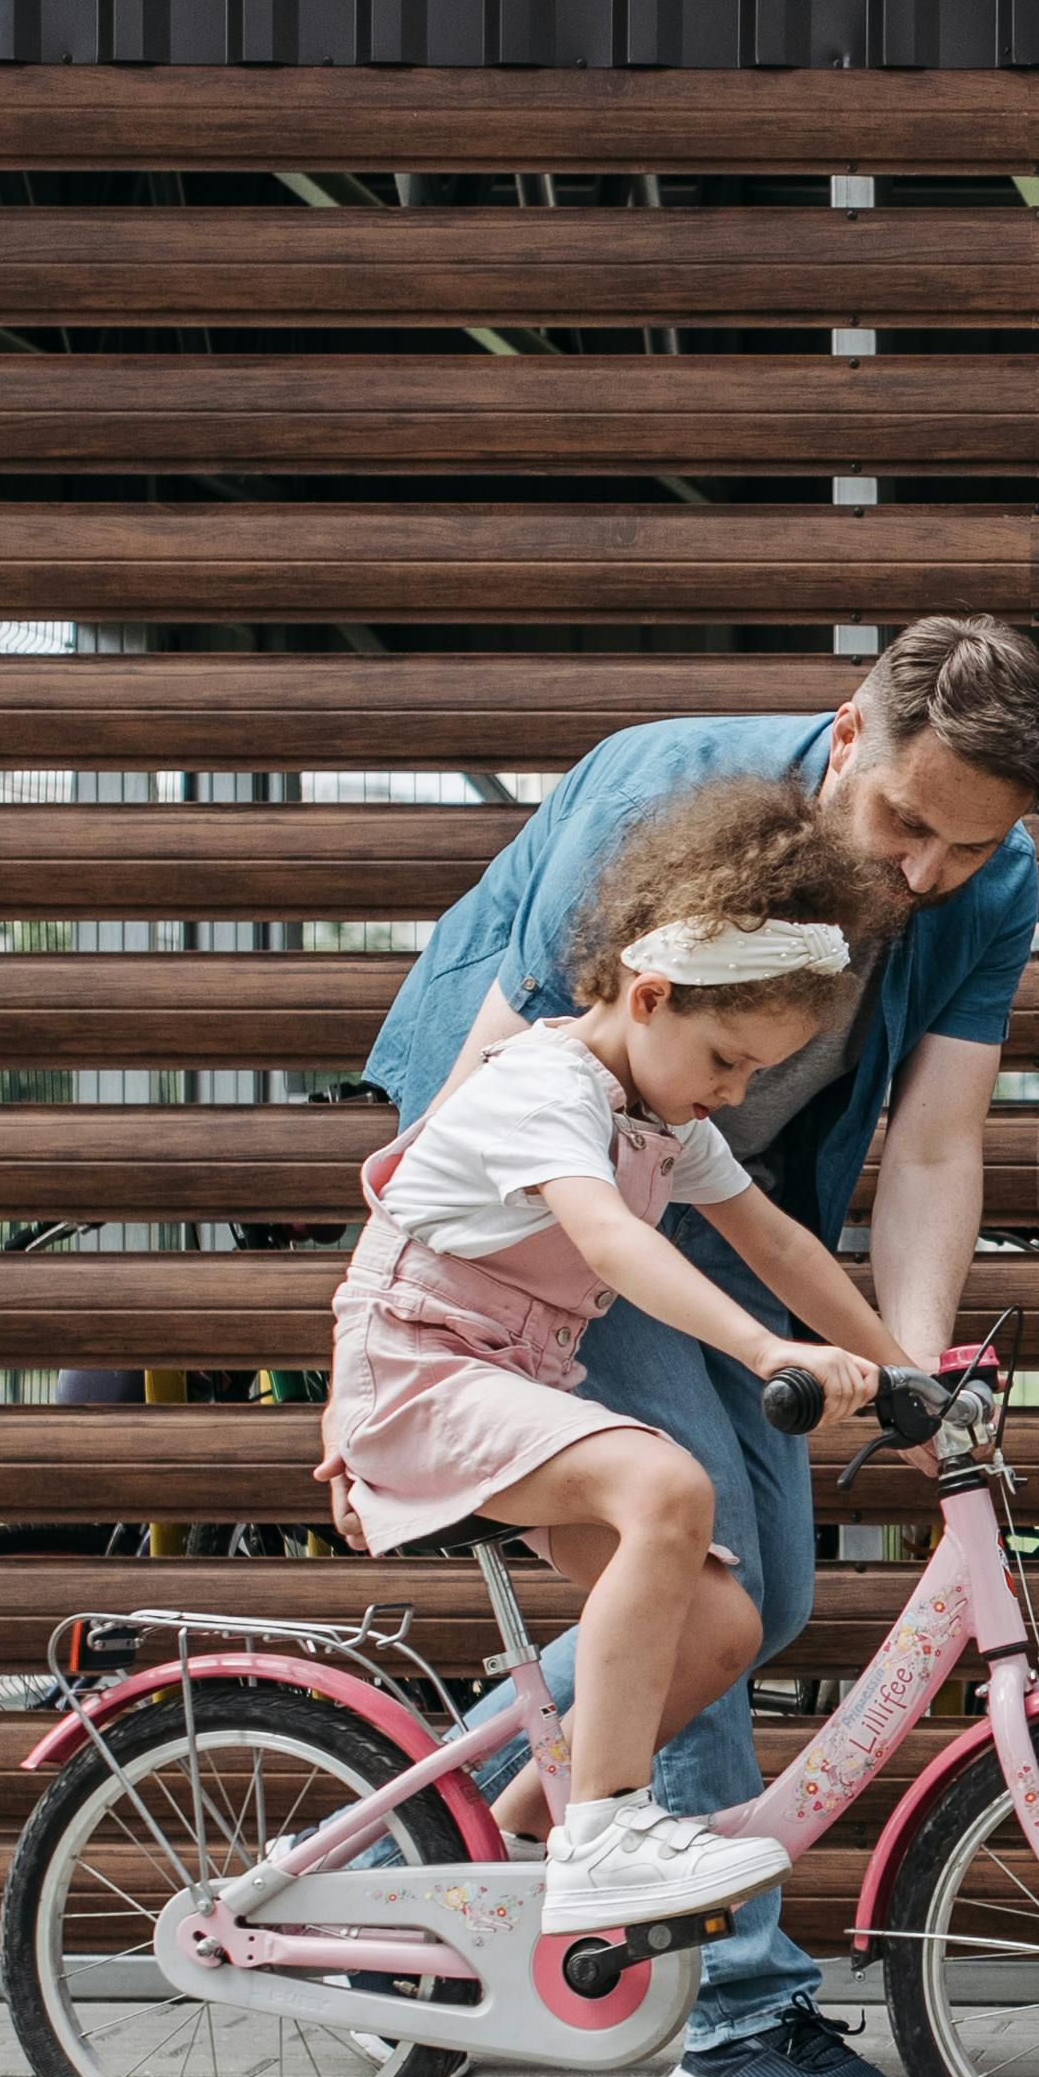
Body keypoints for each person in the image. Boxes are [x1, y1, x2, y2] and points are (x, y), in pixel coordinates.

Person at [360, 614, 1039, 2077]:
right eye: (906, 826)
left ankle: (415, 1861)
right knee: (681, 1540)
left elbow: (933, 1141)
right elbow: (515, 1076)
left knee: (769, 1606)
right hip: (555, 1204)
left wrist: (916, 1367)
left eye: (971, 847)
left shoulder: (983, 876)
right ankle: (730, 2006)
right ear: (846, 734)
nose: (928, 872)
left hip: (714, 1176)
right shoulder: (659, 799)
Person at [324, 782, 920, 1934]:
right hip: (422, 1376)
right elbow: (603, 1237)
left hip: (505, 1381)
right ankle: (604, 1828)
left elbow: (776, 1239)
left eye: (756, 1074)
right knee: (666, 1485)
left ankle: (480, 1866)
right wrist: (761, 1349)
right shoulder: (544, 1090)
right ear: (647, 996)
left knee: (723, 1628)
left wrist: (902, 1375)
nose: (736, 1093)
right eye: (726, 1059)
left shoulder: (661, 1119)